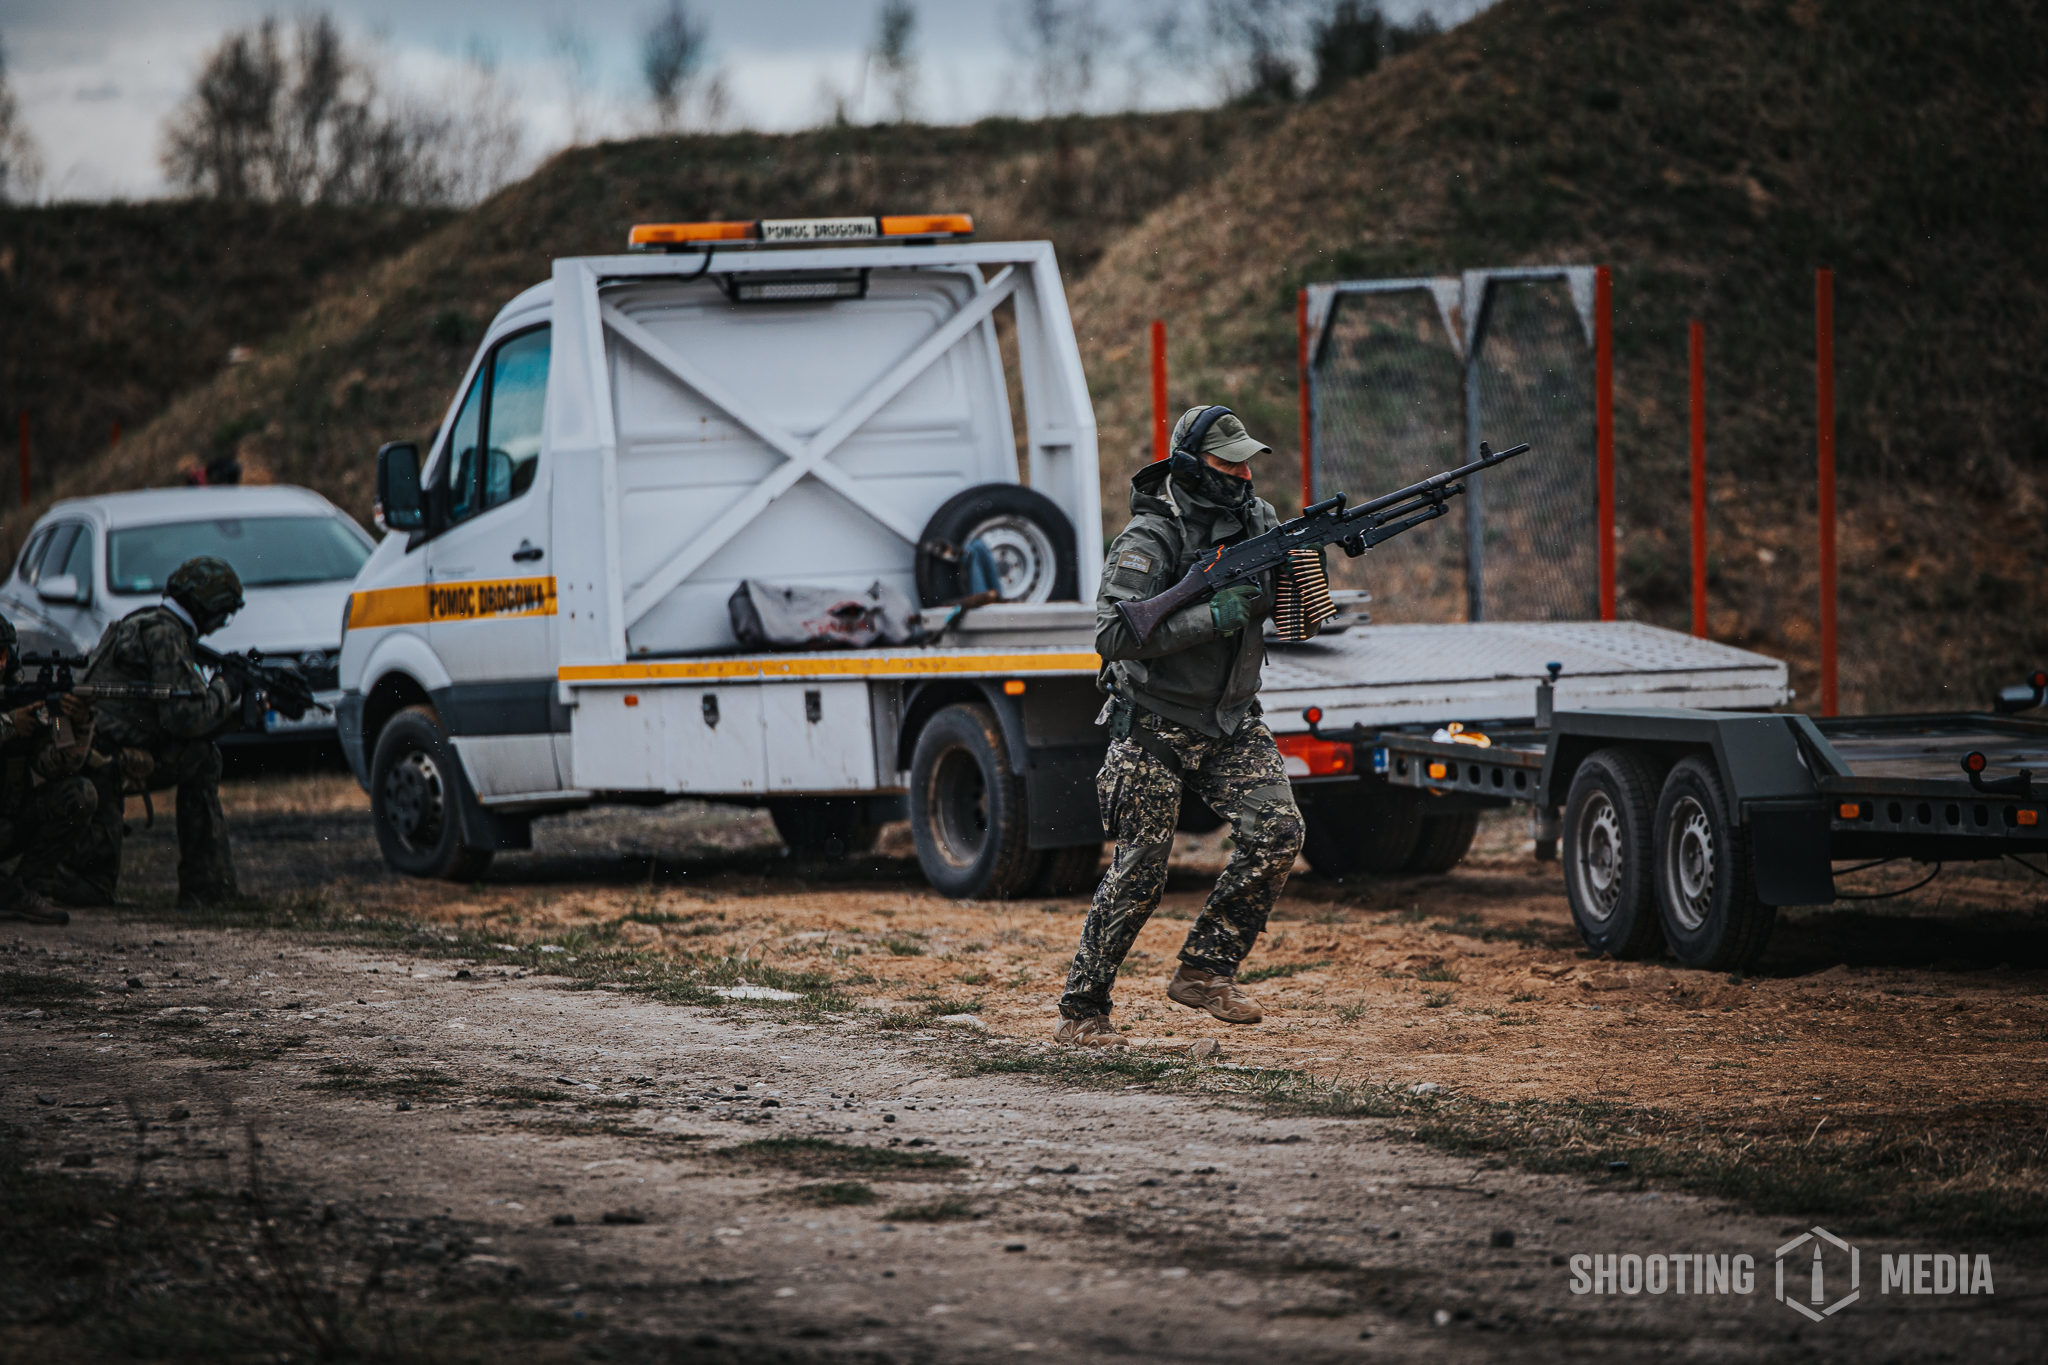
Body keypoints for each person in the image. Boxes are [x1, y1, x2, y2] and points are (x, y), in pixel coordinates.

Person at [1055, 406, 1311, 1048]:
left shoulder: (1260, 520)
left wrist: (1304, 573)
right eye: (1230, 463)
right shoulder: (1150, 538)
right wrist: (1214, 613)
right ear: (1194, 464)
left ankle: (1205, 970)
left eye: (1250, 461)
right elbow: (1115, 634)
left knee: (1280, 832)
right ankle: (1082, 1012)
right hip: (1154, 725)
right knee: (1141, 869)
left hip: (1229, 719)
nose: (1245, 474)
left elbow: (1296, 616)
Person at [55, 557, 242, 910]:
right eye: (223, 615)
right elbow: (185, 718)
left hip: (88, 748)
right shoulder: (166, 635)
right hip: (101, 758)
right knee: (201, 756)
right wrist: (225, 688)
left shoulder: (142, 621)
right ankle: (207, 887)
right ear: (209, 609)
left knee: (89, 885)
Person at [0, 615, 97, 925]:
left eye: (3, 655)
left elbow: (57, 766)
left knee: (78, 794)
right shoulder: (11, 714)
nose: (0, 666)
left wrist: (74, 722)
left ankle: (21, 889)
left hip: (8, 825)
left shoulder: (16, 697)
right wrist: (8, 726)